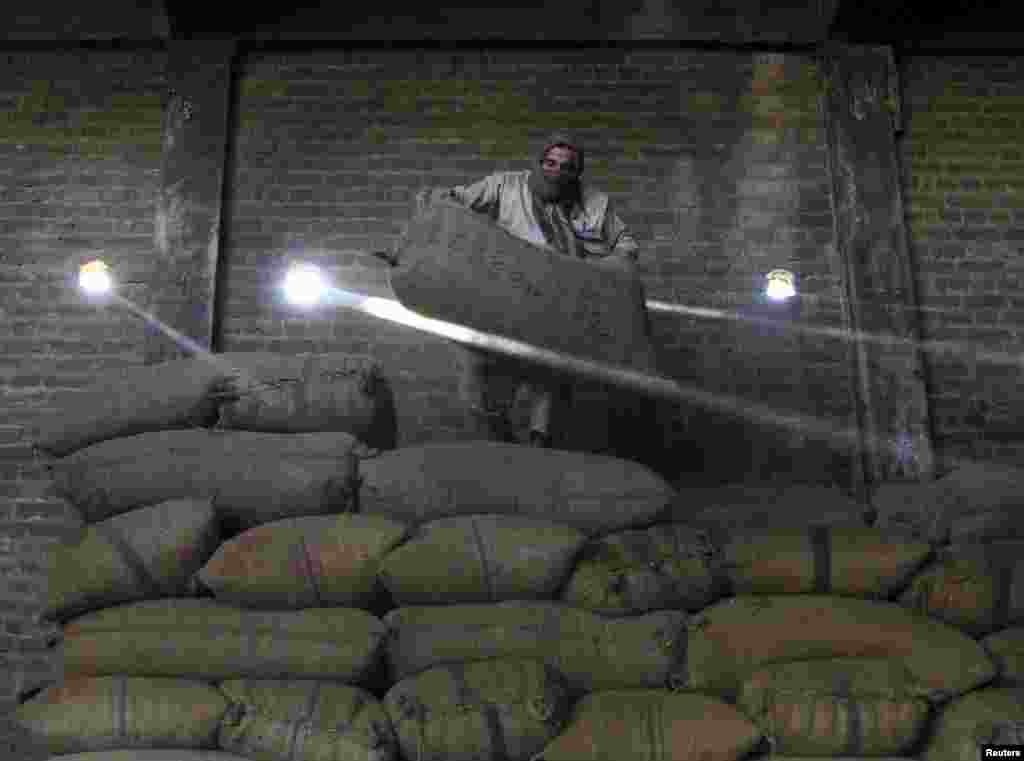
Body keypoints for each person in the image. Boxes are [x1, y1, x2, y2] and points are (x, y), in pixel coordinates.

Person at [413, 132, 642, 448]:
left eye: (567, 166)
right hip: (504, 299)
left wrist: (604, 267)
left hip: (557, 306)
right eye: (550, 162)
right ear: (538, 162)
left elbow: (626, 246)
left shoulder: (594, 203)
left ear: (577, 172)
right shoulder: (504, 186)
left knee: (551, 380)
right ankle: (498, 448)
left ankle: (539, 447)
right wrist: (438, 199)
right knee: (479, 376)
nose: (557, 171)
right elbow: (456, 199)